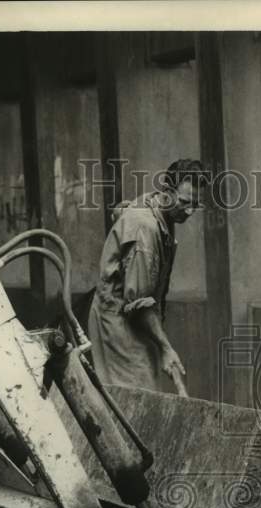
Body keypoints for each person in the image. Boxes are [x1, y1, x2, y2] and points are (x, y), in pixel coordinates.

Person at [87, 159, 206, 393]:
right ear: (167, 192)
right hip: (119, 322)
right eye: (184, 202)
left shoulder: (157, 207)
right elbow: (139, 304)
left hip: (134, 319)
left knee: (146, 389)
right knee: (136, 395)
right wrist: (165, 348)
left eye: (195, 204)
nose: (190, 211)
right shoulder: (145, 229)